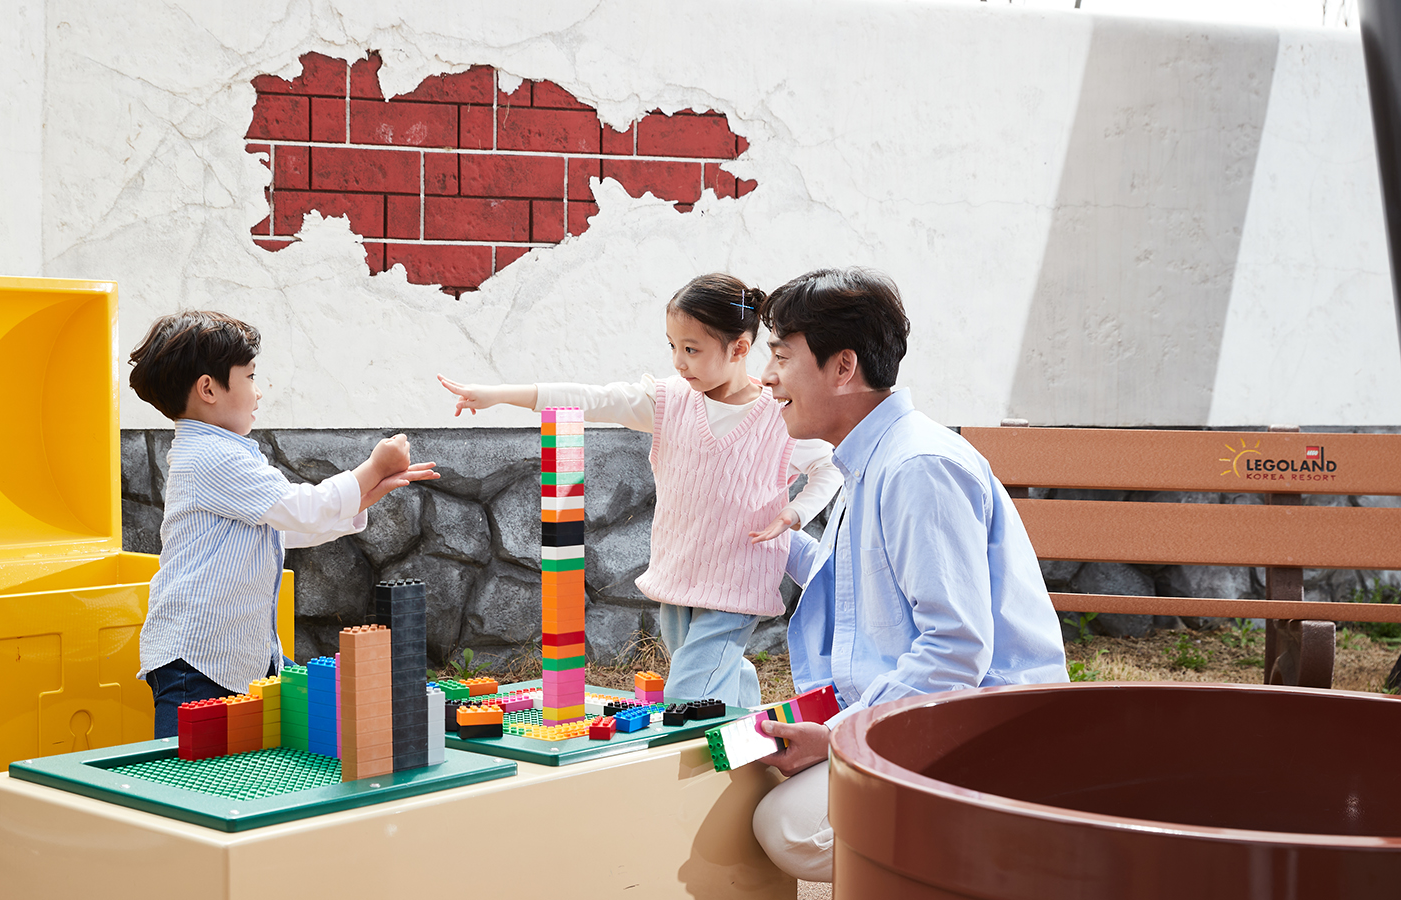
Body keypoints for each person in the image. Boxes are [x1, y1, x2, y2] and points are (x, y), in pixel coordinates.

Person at [748, 268, 1067, 882]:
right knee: (749, 769)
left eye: (782, 357)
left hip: (985, 734)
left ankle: (1008, 850)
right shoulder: (872, 457)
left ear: (843, 367)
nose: (766, 377)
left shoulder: (918, 466)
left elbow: (955, 649)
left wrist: (838, 737)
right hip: (929, 717)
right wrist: (767, 535)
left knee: (789, 826)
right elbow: (855, 584)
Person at [439, 274, 843, 708]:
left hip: (738, 581)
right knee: (712, 667)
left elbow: (829, 468)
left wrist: (796, 513)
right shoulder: (668, 401)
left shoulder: (779, 416)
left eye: (691, 349)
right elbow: (594, 398)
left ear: (739, 349)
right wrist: (499, 394)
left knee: (689, 694)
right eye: (673, 346)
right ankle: (750, 728)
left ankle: (703, 740)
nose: (678, 362)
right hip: (679, 573)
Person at [128, 310, 438, 738]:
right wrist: (373, 467)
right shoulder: (212, 457)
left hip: (232, 655)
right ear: (208, 389)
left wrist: (371, 490)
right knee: (188, 768)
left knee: (263, 741)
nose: (259, 392)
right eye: (250, 377)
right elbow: (302, 509)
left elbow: (286, 526)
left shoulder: (219, 452)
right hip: (196, 661)